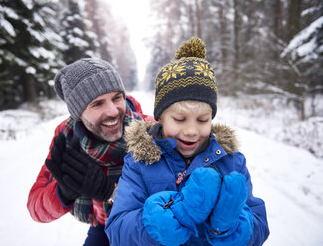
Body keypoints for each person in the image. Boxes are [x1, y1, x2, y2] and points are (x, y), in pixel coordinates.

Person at [105, 37, 270, 245]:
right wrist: (162, 223)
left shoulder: (232, 162)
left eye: (202, 120)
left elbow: (259, 224)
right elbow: (117, 229)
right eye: (179, 119)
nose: (192, 131)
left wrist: (235, 229)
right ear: (160, 117)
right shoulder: (138, 163)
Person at [27, 58, 153, 246]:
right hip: (102, 226)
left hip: (144, 224)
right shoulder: (68, 138)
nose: (113, 111)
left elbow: (173, 203)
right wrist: (63, 192)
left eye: (117, 97)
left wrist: (112, 192)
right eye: (97, 103)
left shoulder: (149, 131)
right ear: (78, 113)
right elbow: (36, 207)